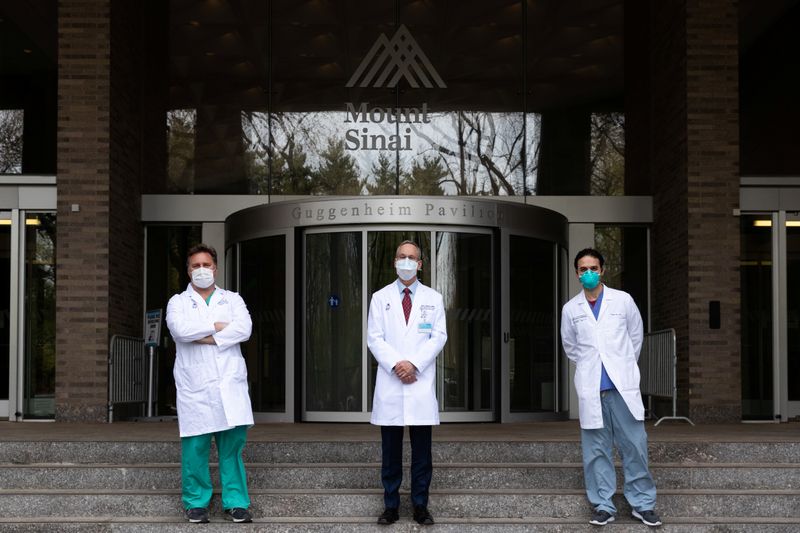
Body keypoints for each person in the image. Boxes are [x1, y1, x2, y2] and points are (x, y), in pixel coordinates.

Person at [560, 248, 662, 528]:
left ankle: (643, 504)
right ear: (577, 273)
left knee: (635, 446)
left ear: (602, 270)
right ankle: (603, 505)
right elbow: (571, 347)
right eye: (583, 269)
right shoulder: (571, 309)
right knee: (596, 451)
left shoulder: (623, 300)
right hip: (592, 389)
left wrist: (622, 365)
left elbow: (635, 337)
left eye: (593, 268)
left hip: (622, 387)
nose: (589, 273)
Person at [166, 244, 254, 524]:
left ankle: (236, 502)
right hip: (196, 387)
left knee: (232, 449)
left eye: (206, 265)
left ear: (215, 268)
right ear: (188, 270)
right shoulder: (177, 302)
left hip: (230, 384)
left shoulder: (233, 299)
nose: (201, 270)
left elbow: (244, 329)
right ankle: (196, 503)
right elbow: (180, 330)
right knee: (195, 449)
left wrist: (201, 334)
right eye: (195, 266)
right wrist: (218, 327)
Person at [367, 240, 448, 526]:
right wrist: (397, 365)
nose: (406, 261)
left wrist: (413, 364)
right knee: (390, 452)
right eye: (401, 256)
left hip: (419, 381)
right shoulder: (380, 297)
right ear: (394, 261)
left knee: (421, 453)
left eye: (412, 257)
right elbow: (374, 338)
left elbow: (438, 337)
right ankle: (390, 505)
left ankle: (420, 506)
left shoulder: (433, 298)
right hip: (392, 381)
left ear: (420, 264)